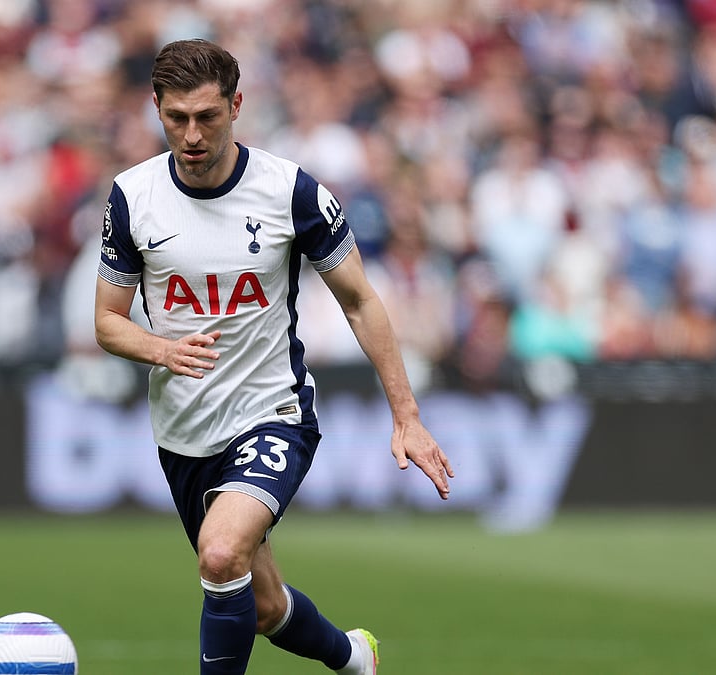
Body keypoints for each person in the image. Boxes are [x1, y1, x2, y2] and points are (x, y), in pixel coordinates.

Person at [93, 39, 453, 675]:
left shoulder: (291, 192)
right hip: (182, 430)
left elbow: (361, 302)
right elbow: (107, 323)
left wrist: (406, 414)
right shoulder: (132, 197)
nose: (193, 135)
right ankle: (353, 657)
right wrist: (162, 349)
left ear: (237, 105)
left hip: (272, 411)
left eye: (208, 116)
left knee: (220, 554)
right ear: (156, 109)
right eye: (177, 118)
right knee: (259, 607)